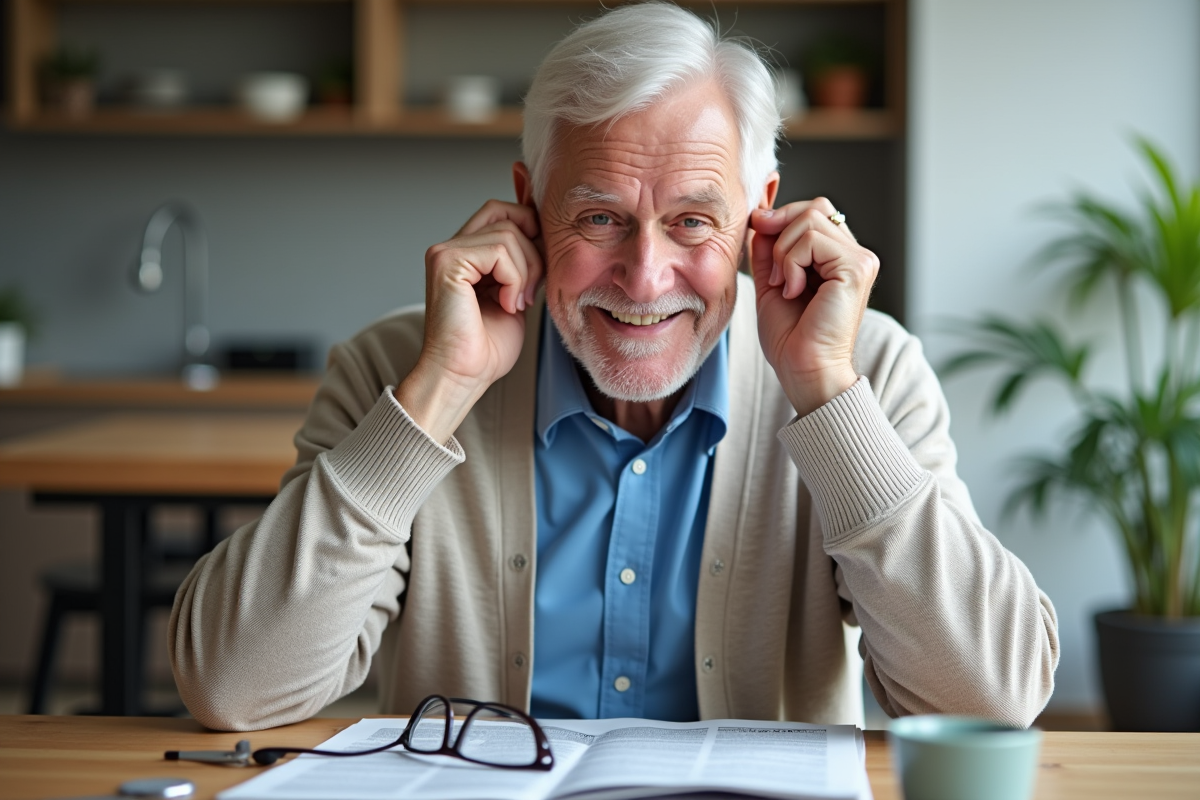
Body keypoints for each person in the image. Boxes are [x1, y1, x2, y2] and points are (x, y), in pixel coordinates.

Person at [169, 1, 1058, 732]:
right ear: (529, 209)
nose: (644, 277)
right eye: (599, 218)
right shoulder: (397, 370)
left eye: (693, 222)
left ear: (760, 216)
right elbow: (232, 688)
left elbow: (993, 699)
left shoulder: (868, 371)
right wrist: (439, 393)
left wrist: (826, 393)